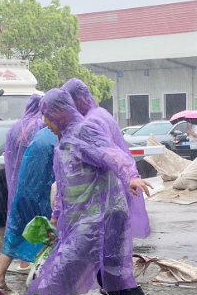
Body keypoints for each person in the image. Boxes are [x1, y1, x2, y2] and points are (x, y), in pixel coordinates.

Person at [27, 89, 161, 295]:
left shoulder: (83, 132)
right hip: (89, 219)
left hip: (101, 217)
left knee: (61, 276)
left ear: (60, 113)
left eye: (47, 116)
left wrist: (130, 176)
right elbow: (65, 185)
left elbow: (113, 154)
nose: (45, 123)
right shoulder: (64, 139)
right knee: (111, 277)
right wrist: (56, 218)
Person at [62, 78, 151, 239]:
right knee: (111, 251)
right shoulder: (101, 114)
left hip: (104, 198)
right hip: (112, 196)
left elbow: (110, 153)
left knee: (101, 249)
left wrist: (130, 176)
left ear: (79, 99)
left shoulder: (91, 122)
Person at [0, 125, 57, 293]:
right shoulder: (60, 137)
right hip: (44, 195)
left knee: (14, 234)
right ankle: (41, 281)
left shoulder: (41, 135)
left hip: (23, 193)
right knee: (49, 237)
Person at [0, 95, 45, 274]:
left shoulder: (14, 128)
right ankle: (35, 258)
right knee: (37, 218)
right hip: (33, 179)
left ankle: (23, 261)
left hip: (16, 179)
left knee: (19, 219)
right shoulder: (40, 126)